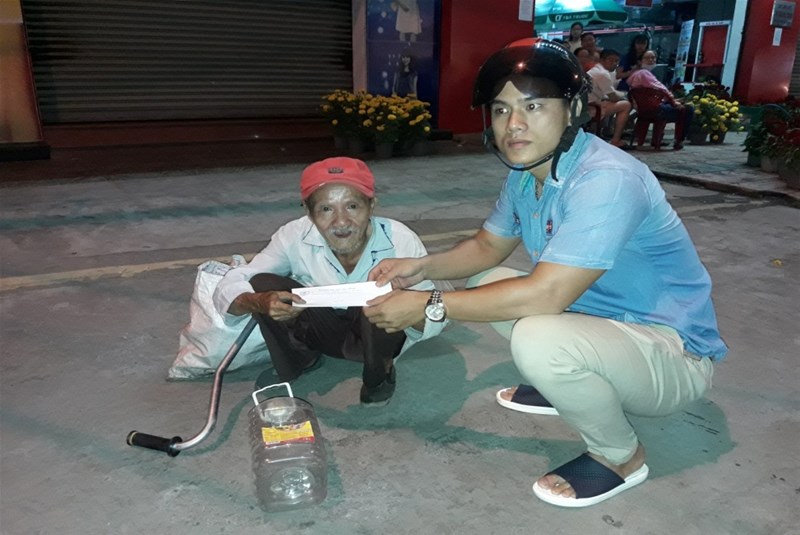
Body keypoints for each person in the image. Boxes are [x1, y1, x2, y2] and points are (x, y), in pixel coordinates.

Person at [363, 39, 727, 507]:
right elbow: (487, 247)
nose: (513, 124)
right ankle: (569, 387)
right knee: (487, 284)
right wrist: (420, 267)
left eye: (533, 106)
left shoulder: (606, 180)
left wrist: (429, 304)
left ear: (573, 109)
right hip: (606, 328)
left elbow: (547, 295)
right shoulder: (527, 173)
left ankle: (621, 457)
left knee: (538, 337)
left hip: (674, 355)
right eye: (501, 110)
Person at [212, 157, 446, 405]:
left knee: (382, 299)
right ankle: (300, 358)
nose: (341, 222)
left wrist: (410, 306)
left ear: (371, 206)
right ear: (308, 211)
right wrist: (258, 301)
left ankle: (380, 373)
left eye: (352, 206)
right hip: (321, 327)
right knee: (262, 282)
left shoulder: (400, 240)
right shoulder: (293, 235)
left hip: (376, 335)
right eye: (326, 209)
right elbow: (238, 279)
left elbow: (436, 310)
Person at [628, 50, 694, 150]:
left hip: (644, 110)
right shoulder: (645, 74)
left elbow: (653, 93)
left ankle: (657, 139)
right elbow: (661, 89)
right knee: (688, 109)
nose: (651, 60)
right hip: (656, 110)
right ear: (640, 61)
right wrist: (673, 101)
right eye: (647, 58)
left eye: (653, 57)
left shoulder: (634, 74)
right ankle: (679, 141)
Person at [587, 48, 631, 147]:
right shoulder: (602, 74)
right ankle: (616, 140)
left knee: (615, 102)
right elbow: (613, 97)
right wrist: (624, 95)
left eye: (616, 61)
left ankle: (605, 132)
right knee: (626, 105)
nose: (614, 63)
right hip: (592, 108)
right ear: (602, 60)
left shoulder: (596, 70)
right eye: (610, 60)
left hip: (590, 104)